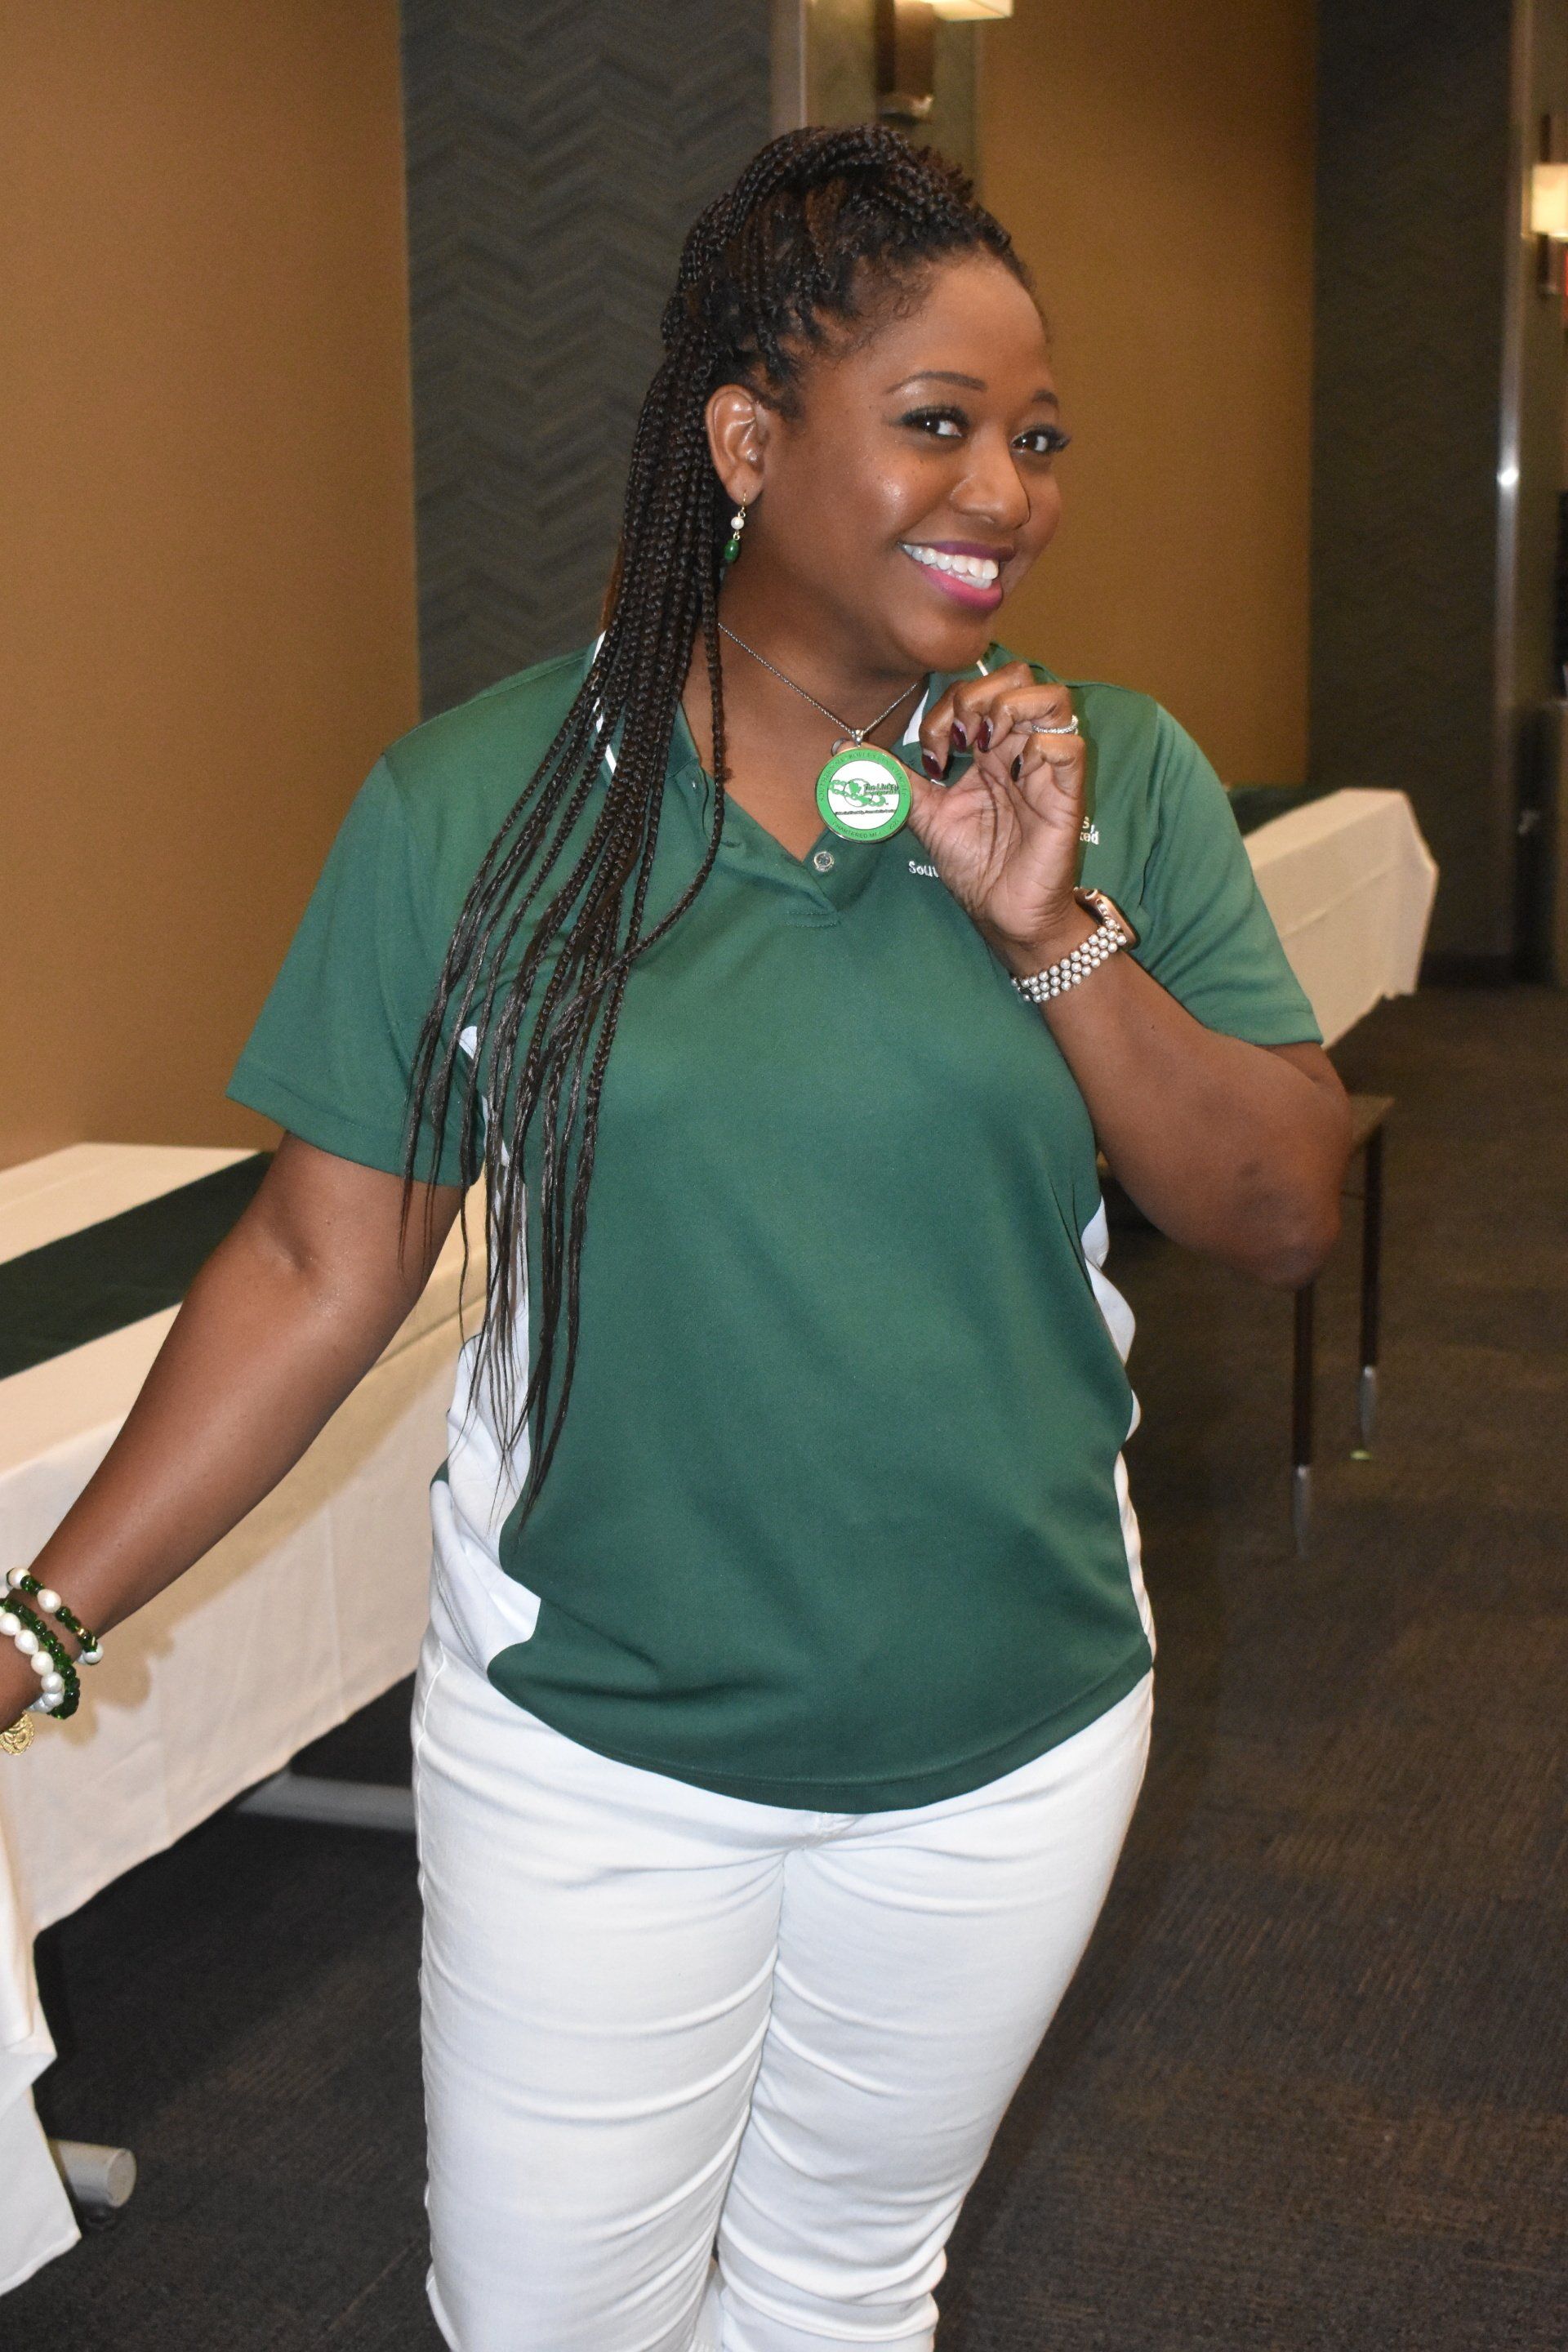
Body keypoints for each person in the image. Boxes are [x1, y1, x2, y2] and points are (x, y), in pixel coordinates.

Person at [2, 126, 1352, 2350]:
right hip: (601, 1741)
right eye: (938, 423)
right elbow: (318, 1268)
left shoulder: (1110, 776)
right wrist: (33, 1625)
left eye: (1037, 439)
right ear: (745, 441)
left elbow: (1281, 1212)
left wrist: (1053, 933)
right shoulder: (482, 804)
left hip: (1008, 1728)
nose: (1004, 492)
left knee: (845, 2295)